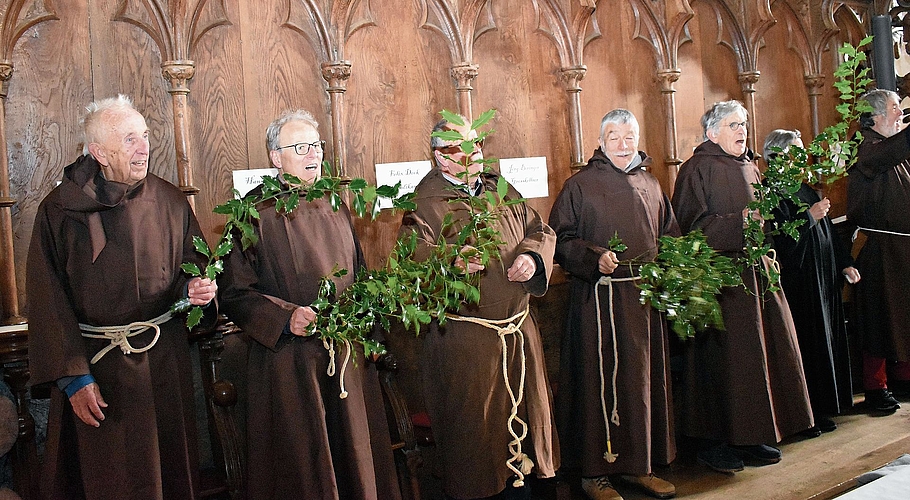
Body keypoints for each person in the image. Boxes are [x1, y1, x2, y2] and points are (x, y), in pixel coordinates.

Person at [27, 95, 218, 500]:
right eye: (130, 139)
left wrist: (194, 291)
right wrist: (74, 377)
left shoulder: (169, 199)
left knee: (172, 475)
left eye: (145, 136)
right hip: (100, 372)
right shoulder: (59, 210)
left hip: (164, 365)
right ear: (98, 151)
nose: (144, 146)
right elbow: (48, 301)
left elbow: (192, 266)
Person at [218, 109, 400, 500]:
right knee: (305, 469)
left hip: (346, 356)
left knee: (356, 460)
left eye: (315, 146)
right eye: (299, 147)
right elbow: (234, 292)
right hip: (289, 362)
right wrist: (286, 318)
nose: (312, 155)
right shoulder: (252, 213)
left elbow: (360, 271)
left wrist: (372, 314)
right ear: (274, 156)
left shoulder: (336, 202)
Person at [398, 116, 559, 499]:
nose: (470, 156)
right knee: (478, 449)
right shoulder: (423, 203)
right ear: (439, 157)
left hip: (519, 336)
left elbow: (540, 229)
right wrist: (450, 262)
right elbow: (409, 265)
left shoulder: (499, 189)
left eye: (475, 146)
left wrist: (533, 258)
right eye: (457, 149)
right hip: (467, 347)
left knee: (528, 433)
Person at [671, 100, 813, 474]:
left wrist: (763, 236)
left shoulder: (750, 166)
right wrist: (739, 222)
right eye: (734, 124)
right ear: (712, 132)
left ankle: (750, 434)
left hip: (756, 275)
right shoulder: (695, 170)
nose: (742, 131)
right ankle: (714, 441)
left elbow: (763, 218)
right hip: (719, 279)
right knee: (723, 362)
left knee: (758, 357)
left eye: (744, 124)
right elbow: (690, 229)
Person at [549, 109, 678, 500]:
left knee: (642, 384)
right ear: (601, 141)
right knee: (598, 383)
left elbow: (669, 236)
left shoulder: (652, 184)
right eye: (614, 137)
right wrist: (594, 257)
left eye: (629, 137)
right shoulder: (579, 186)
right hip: (598, 303)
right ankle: (595, 474)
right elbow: (560, 241)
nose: (623, 145)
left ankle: (640, 466)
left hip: (643, 301)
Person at [764, 129, 859, 434]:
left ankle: (824, 406)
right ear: (778, 155)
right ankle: (804, 416)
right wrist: (810, 218)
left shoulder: (804, 188)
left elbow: (829, 233)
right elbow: (778, 241)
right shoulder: (770, 193)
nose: (802, 157)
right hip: (798, 286)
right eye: (796, 151)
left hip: (822, 281)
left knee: (825, 344)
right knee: (804, 346)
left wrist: (844, 263)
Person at [847, 89, 910, 413]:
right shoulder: (864, 147)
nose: (900, 114)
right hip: (877, 248)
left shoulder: (895, 150)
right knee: (879, 317)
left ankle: (904, 375)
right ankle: (876, 387)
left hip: (903, 246)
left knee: (904, 316)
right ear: (874, 117)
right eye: (895, 108)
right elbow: (885, 155)